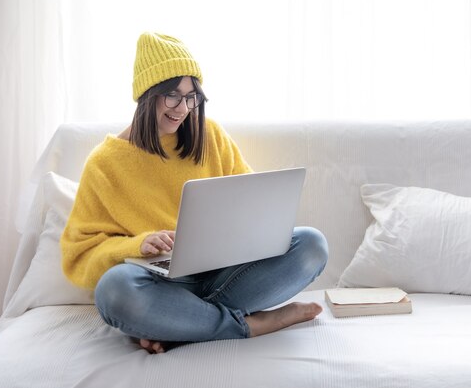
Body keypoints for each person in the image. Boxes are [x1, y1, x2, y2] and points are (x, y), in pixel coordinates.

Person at [60, 32, 328, 354]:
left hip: (226, 274)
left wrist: (251, 230)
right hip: (161, 283)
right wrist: (139, 243)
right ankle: (251, 324)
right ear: (147, 94)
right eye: (173, 95)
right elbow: (81, 253)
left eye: (192, 97)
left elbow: (251, 200)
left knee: (311, 244)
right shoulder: (104, 164)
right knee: (114, 292)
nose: (183, 108)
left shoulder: (210, 136)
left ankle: (179, 325)